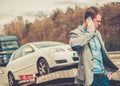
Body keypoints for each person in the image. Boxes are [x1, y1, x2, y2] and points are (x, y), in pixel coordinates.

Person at [69, 6, 119, 86]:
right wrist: (90, 32)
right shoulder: (76, 33)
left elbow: (101, 54)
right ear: (88, 20)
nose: (99, 24)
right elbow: (74, 45)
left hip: (103, 76)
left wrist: (107, 70)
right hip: (90, 78)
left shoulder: (97, 33)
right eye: (97, 21)